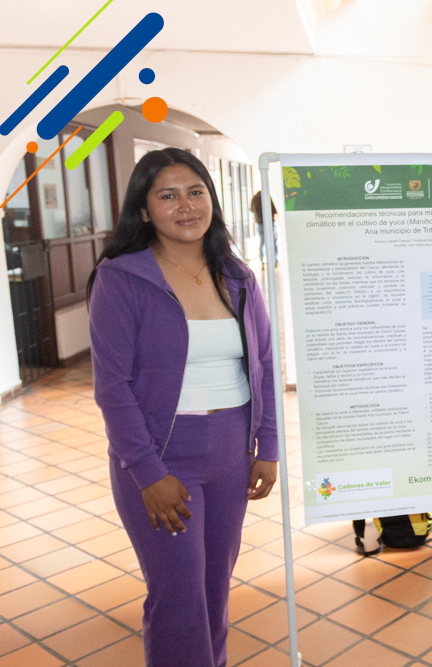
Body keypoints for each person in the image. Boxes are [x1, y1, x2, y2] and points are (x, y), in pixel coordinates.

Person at [88, 148, 278, 666]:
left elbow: (263, 360)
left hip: (232, 451)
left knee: (215, 594)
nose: (186, 205)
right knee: (179, 602)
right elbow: (113, 387)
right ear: (144, 210)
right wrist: (149, 474)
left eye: (196, 192)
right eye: (167, 195)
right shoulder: (122, 279)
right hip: (162, 457)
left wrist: (269, 446)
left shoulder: (236, 275)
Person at [251, 189, 278, 266]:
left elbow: (252, 210)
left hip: (260, 223)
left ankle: (262, 261)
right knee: (274, 241)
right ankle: (275, 260)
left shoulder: (254, 198)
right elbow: (274, 210)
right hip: (270, 222)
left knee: (262, 242)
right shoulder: (267, 197)